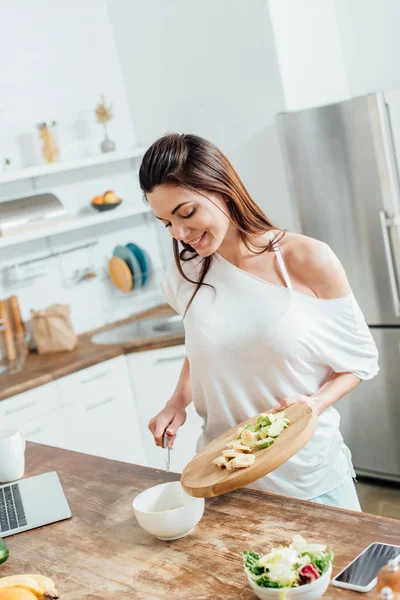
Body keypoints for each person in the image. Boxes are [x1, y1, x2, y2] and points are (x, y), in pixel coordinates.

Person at [139, 132, 379, 510]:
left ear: (223, 188)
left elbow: (360, 360)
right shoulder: (183, 272)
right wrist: (176, 402)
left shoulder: (305, 259)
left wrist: (313, 404)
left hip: (307, 477)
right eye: (165, 222)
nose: (180, 234)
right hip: (223, 479)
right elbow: (204, 349)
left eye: (186, 213)